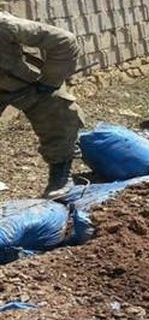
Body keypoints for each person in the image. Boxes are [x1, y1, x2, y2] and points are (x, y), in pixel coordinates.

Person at [0, 11, 83, 198]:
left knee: (56, 110)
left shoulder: (6, 26)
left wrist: (49, 81)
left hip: (28, 83)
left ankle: (60, 175)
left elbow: (65, 41)